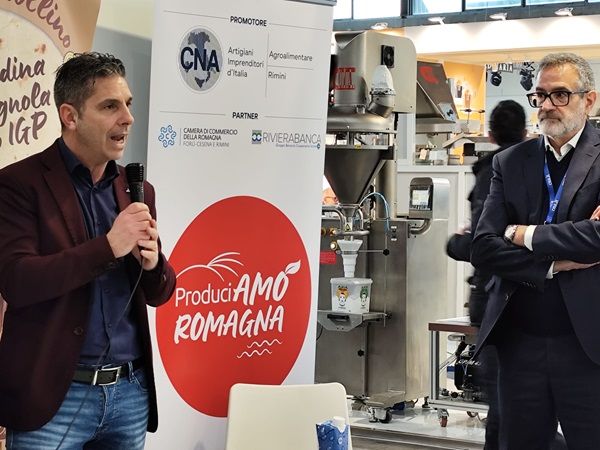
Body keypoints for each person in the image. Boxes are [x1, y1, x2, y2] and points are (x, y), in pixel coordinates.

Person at [0, 52, 176, 449]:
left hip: (129, 393)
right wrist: (109, 247)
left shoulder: (137, 190)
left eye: (128, 104)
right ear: (70, 116)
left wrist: (153, 265)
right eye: (110, 106)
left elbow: (160, 293)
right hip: (54, 400)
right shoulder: (18, 184)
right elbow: (17, 281)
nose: (127, 118)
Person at [471, 52, 600, 449]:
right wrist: (552, 265)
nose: (546, 105)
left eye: (560, 95)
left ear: (589, 100)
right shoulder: (510, 163)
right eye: (540, 95)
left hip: (589, 347)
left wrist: (522, 234)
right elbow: (483, 247)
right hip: (520, 344)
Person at [447, 99, 528, 450]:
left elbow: (481, 245)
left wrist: (455, 242)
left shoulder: (491, 172)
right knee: (519, 405)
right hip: (531, 298)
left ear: (491, 134)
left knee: (503, 406)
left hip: (494, 301)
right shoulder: (537, 170)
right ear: (526, 132)